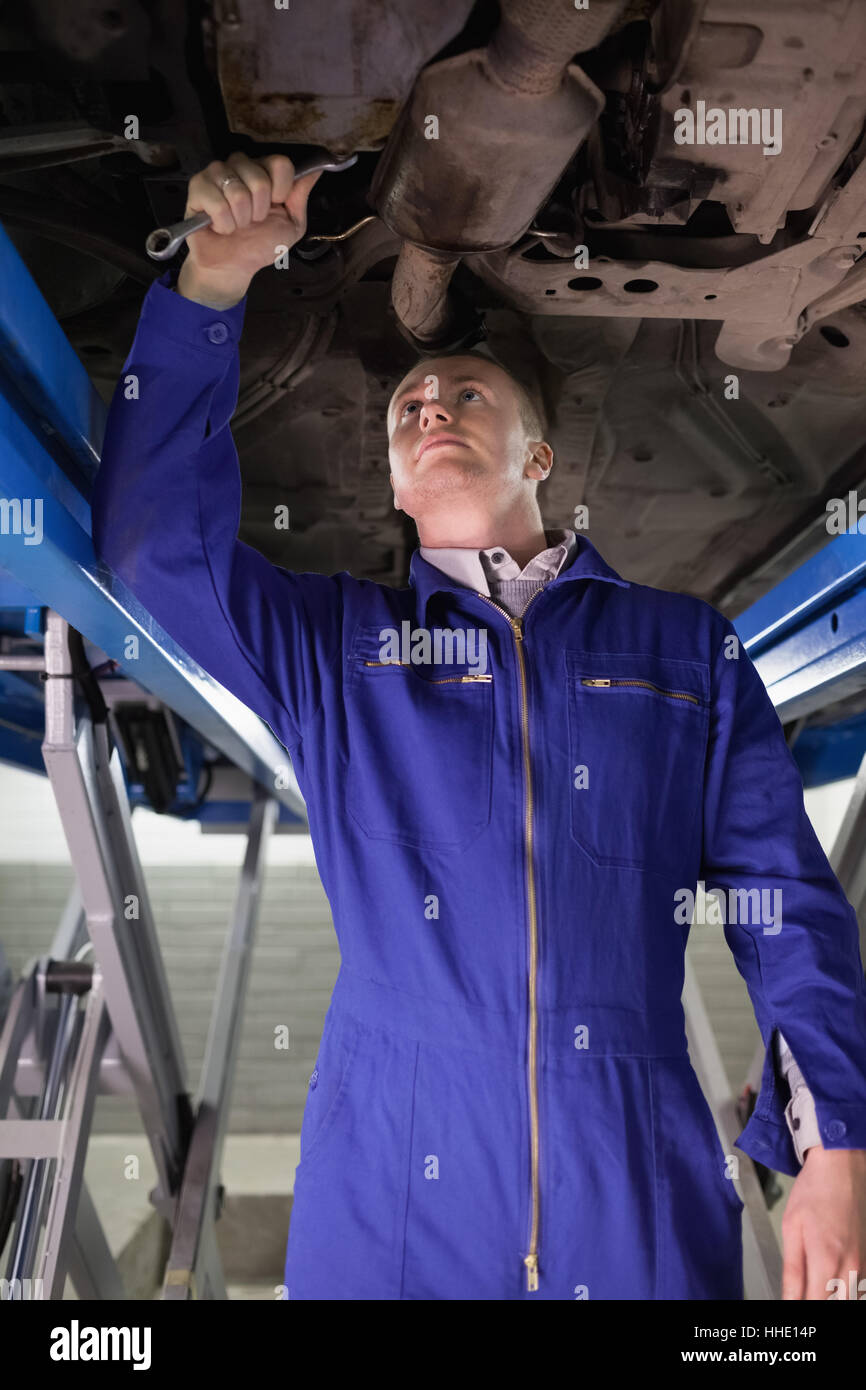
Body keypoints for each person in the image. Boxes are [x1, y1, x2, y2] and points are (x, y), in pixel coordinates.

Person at [91, 151, 866, 1301]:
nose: (431, 407)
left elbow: (779, 901)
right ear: (396, 482)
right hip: (388, 1189)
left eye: (465, 396)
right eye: (409, 406)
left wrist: (834, 1147)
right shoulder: (337, 650)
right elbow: (155, 553)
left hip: (637, 1182)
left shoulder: (677, 649)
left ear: (537, 459)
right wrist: (210, 289)